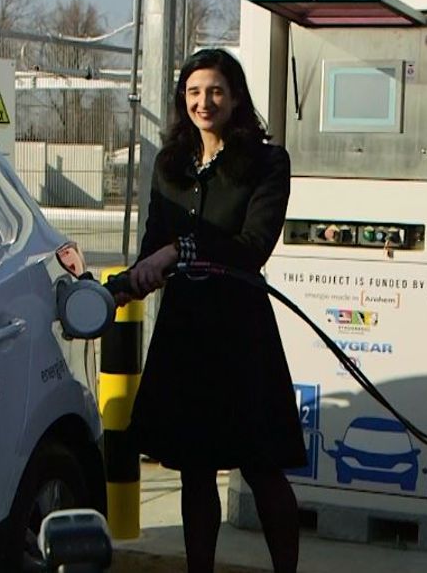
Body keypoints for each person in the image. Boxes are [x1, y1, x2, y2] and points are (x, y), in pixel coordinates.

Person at [115, 49, 305, 573]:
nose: (205, 102)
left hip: (242, 337)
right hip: (185, 334)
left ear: (236, 97)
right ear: (183, 99)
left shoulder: (268, 162)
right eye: (195, 92)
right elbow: (153, 244)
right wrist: (126, 284)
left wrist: (180, 251)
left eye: (216, 91)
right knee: (194, 470)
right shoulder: (168, 164)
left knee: (262, 467)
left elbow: (253, 244)